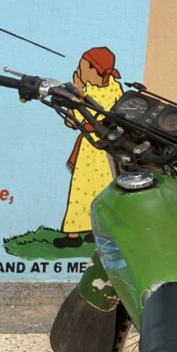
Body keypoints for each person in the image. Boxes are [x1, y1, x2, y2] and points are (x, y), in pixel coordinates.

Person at [55, 45, 124, 248]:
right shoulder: (115, 88)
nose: (78, 70)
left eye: (82, 67)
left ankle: (74, 235)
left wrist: (77, 90)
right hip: (107, 149)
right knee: (101, 191)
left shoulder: (92, 94)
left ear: (95, 71)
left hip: (93, 148)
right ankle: (96, 230)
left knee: (82, 190)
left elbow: (75, 119)